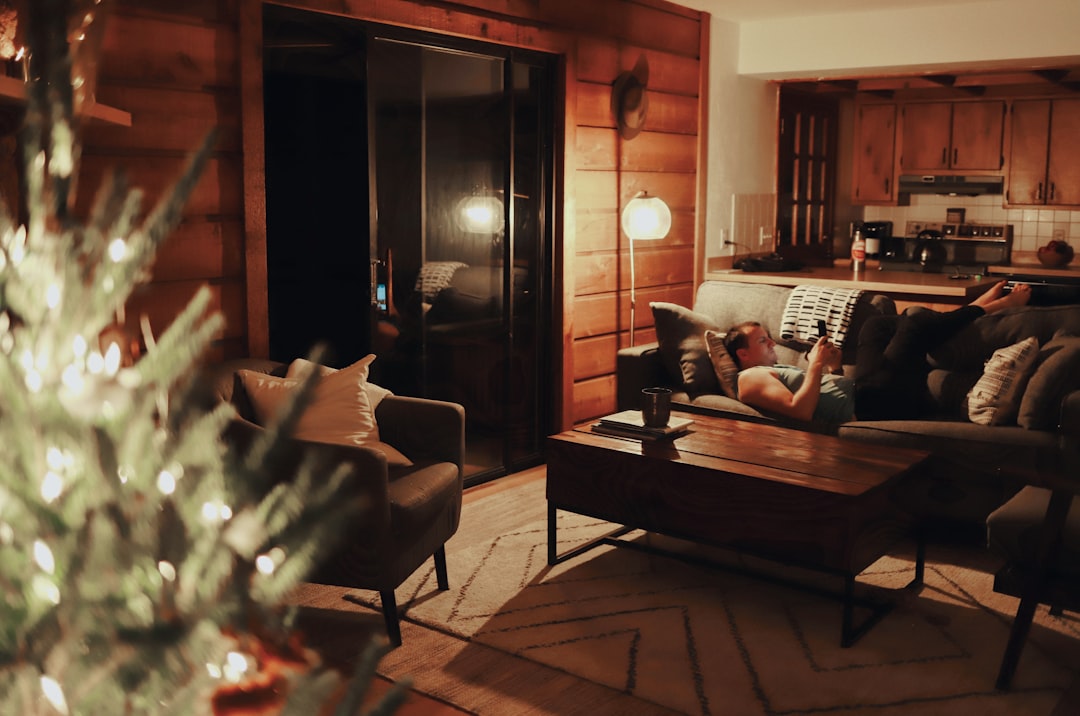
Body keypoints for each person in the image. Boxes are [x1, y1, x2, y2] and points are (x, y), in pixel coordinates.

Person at [722, 280, 1032, 425]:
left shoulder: (764, 373)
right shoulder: (749, 379)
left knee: (875, 326)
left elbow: (825, 396)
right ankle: (991, 307)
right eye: (763, 341)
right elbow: (801, 411)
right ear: (743, 355)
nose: (773, 343)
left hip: (867, 392)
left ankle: (965, 313)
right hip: (874, 407)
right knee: (915, 320)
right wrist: (815, 366)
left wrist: (833, 367)